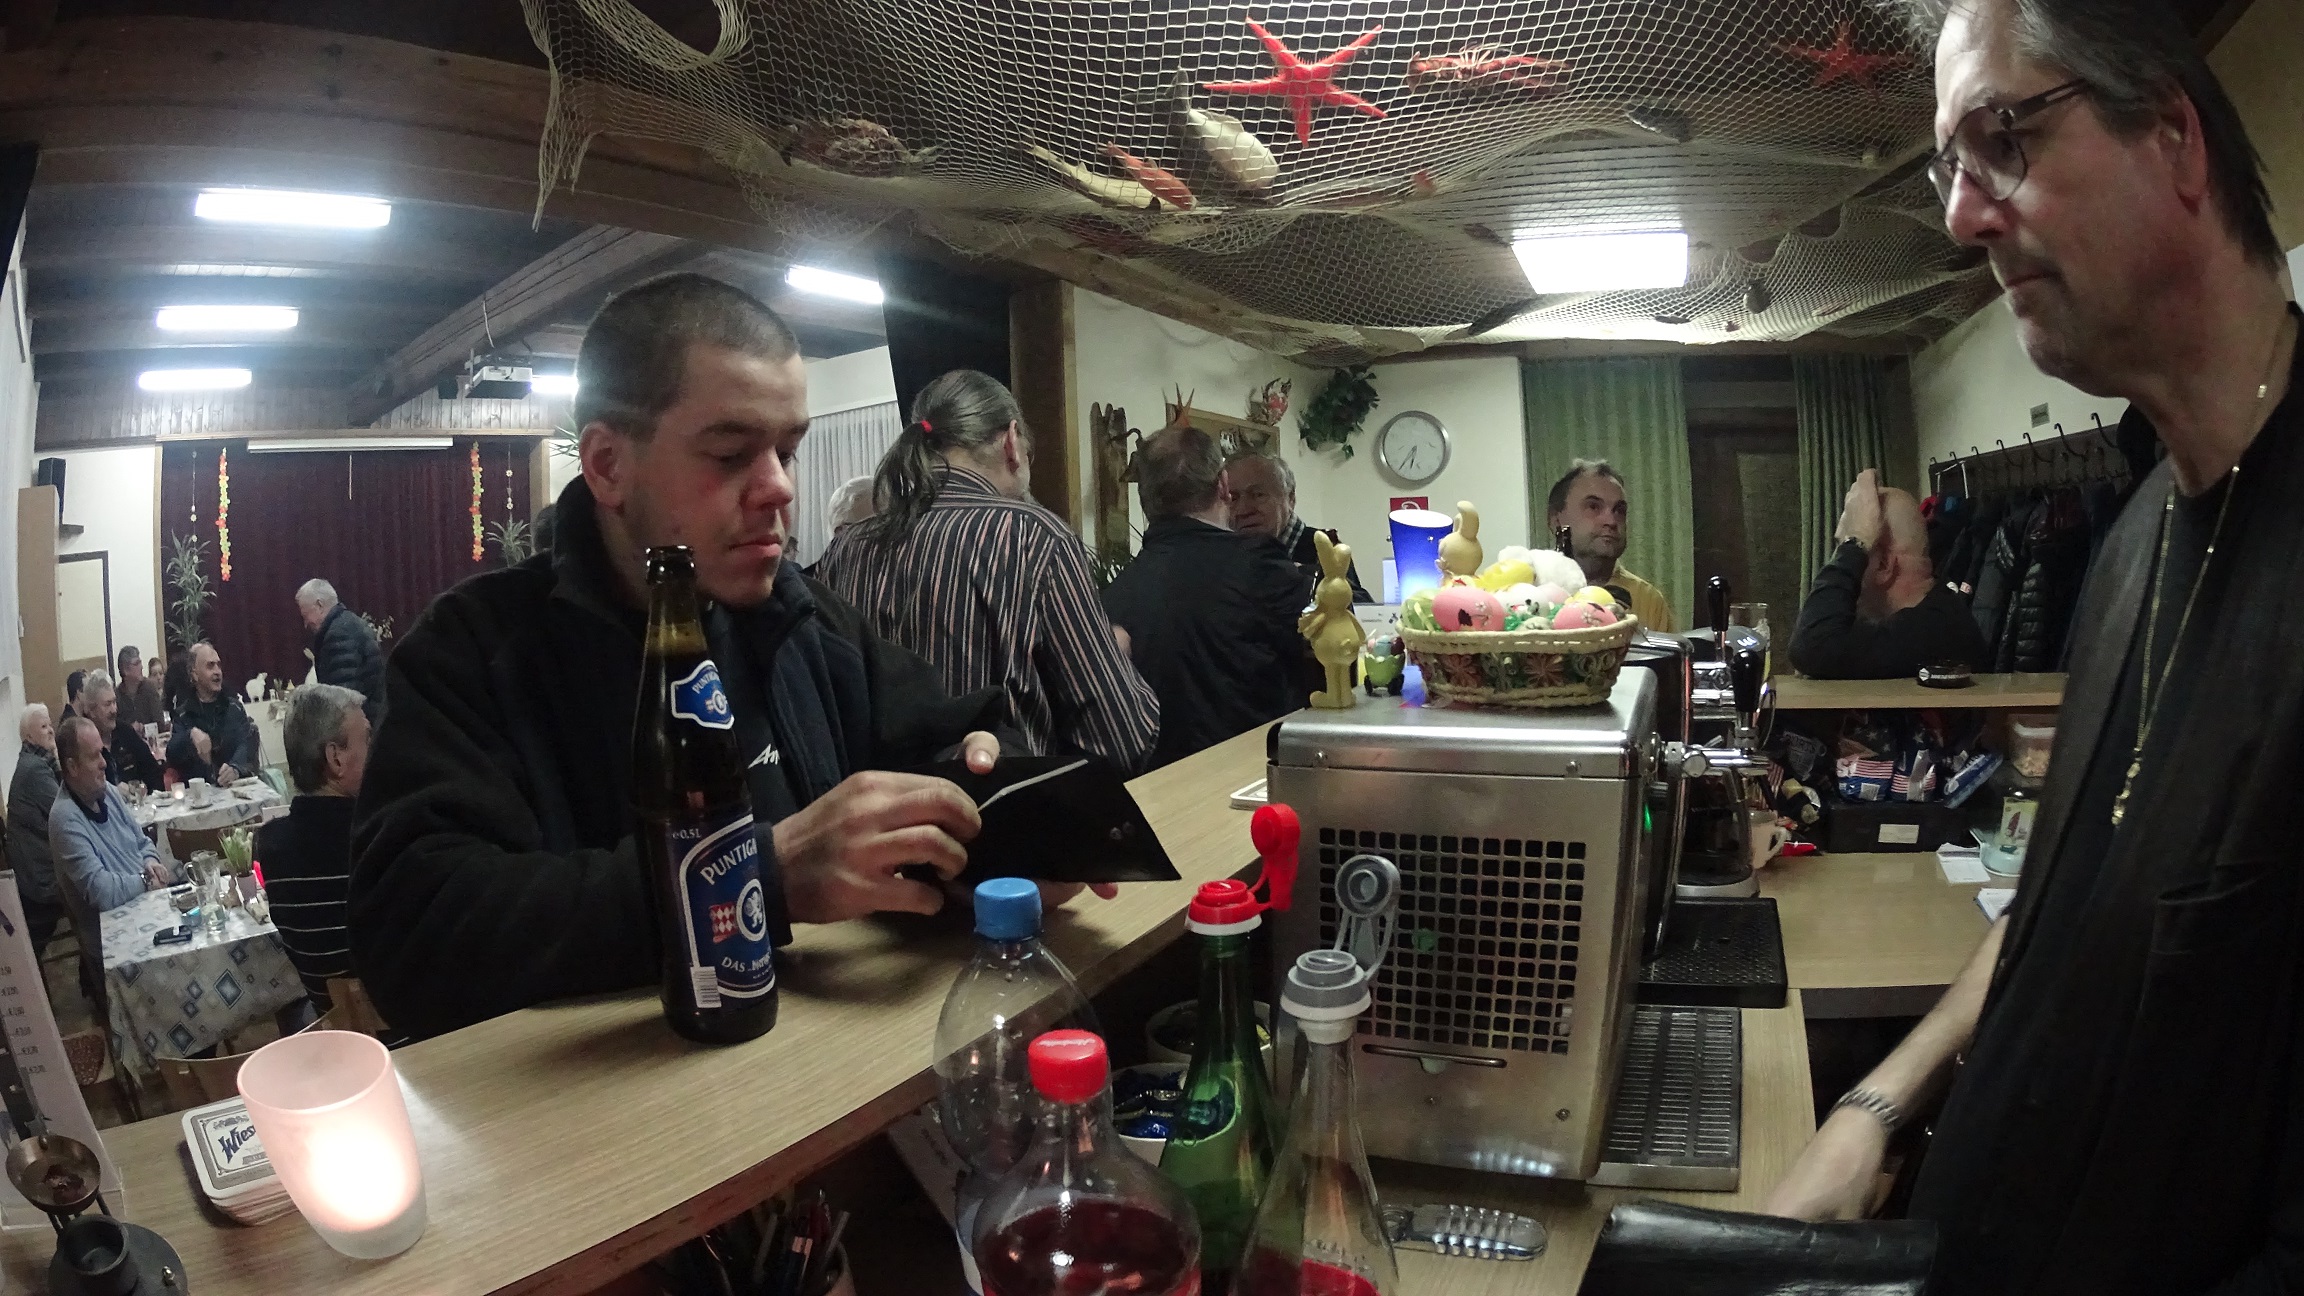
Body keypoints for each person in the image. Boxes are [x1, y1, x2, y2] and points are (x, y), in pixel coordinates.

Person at [1763, 1, 2304, 1292]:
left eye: (2003, 139)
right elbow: (2055, 911)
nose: (1962, 217)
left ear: (2173, 137)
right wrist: (1879, 1105)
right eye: (1951, 168)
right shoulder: (2131, 550)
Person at [348, 274, 1082, 1041]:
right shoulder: (471, 652)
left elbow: (957, 736)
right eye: (731, 455)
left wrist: (1002, 815)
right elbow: (411, 937)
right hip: (612, 1095)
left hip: (825, 1071)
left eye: (787, 451)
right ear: (607, 465)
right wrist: (761, 874)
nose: (779, 488)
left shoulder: (804, 615)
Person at [818, 370, 1158, 771]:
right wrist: (1109, 659)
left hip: (874, 807)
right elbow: (1120, 737)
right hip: (998, 803)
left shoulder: (845, 548)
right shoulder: (1033, 536)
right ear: (1012, 441)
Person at [1101, 424, 1312, 769]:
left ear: (1145, 499)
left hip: (1152, 791)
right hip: (1250, 785)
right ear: (1223, 486)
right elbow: (1333, 656)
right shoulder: (1259, 565)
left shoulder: (1112, 598)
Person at [1787, 470, 1992, 679]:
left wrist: (1856, 542)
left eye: (1847, 548)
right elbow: (1816, 648)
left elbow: (1811, 647)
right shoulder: (1925, 617)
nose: (1841, 559)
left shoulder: (1937, 630)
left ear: (1884, 565)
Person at [256, 684, 369, 1010]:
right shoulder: (378, 837)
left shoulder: (271, 845)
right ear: (335, 758)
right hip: (415, 1034)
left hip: (332, 1026)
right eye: (368, 739)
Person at [48, 717, 172, 913]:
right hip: (115, 924)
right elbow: (102, 892)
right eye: (94, 756)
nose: (104, 763)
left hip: (149, 906)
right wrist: (145, 880)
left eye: (102, 753)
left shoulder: (109, 793)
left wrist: (151, 862)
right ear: (72, 767)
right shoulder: (65, 818)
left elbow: (142, 842)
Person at [1544, 459, 1677, 631]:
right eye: (1593, 507)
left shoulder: (1649, 601)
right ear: (1556, 519)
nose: (1611, 521)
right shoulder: (1529, 591)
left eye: (1619, 511)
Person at [1224, 452, 1370, 603]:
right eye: (1233, 498)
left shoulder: (1325, 549)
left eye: (1258, 495)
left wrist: (1305, 581)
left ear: (1290, 498)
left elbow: (1362, 610)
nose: (1243, 510)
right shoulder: (1225, 556)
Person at [6, 706, 63, 953]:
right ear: (28, 737)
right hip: (41, 879)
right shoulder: (35, 770)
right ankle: (93, 967)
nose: (51, 730)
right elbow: (65, 812)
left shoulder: (35, 762)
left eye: (50, 725)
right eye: (43, 726)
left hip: (36, 870)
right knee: (94, 890)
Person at [165, 642, 259, 786]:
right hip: (201, 792)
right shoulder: (183, 714)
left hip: (234, 787)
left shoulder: (234, 708)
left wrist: (235, 768)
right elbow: (172, 755)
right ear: (195, 674)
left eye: (218, 665)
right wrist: (189, 735)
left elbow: (246, 744)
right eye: (210, 666)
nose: (217, 671)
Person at [297, 579, 385, 722]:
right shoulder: (350, 623)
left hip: (359, 726)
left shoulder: (338, 634)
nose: (306, 624)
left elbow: (343, 700)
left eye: (305, 615)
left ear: (319, 605)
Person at [76, 671, 161, 791]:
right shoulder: (83, 742)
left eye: (114, 702)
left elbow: (153, 771)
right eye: (107, 704)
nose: (114, 710)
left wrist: (147, 791)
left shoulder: (125, 732)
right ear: (91, 710)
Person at [116, 646, 163, 730]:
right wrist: (130, 729)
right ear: (125, 670)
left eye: (140, 662)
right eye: (136, 663)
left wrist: (144, 729)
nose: (141, 667)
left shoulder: (149, 688)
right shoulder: (117, 696)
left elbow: (160, 724)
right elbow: (116, 729)